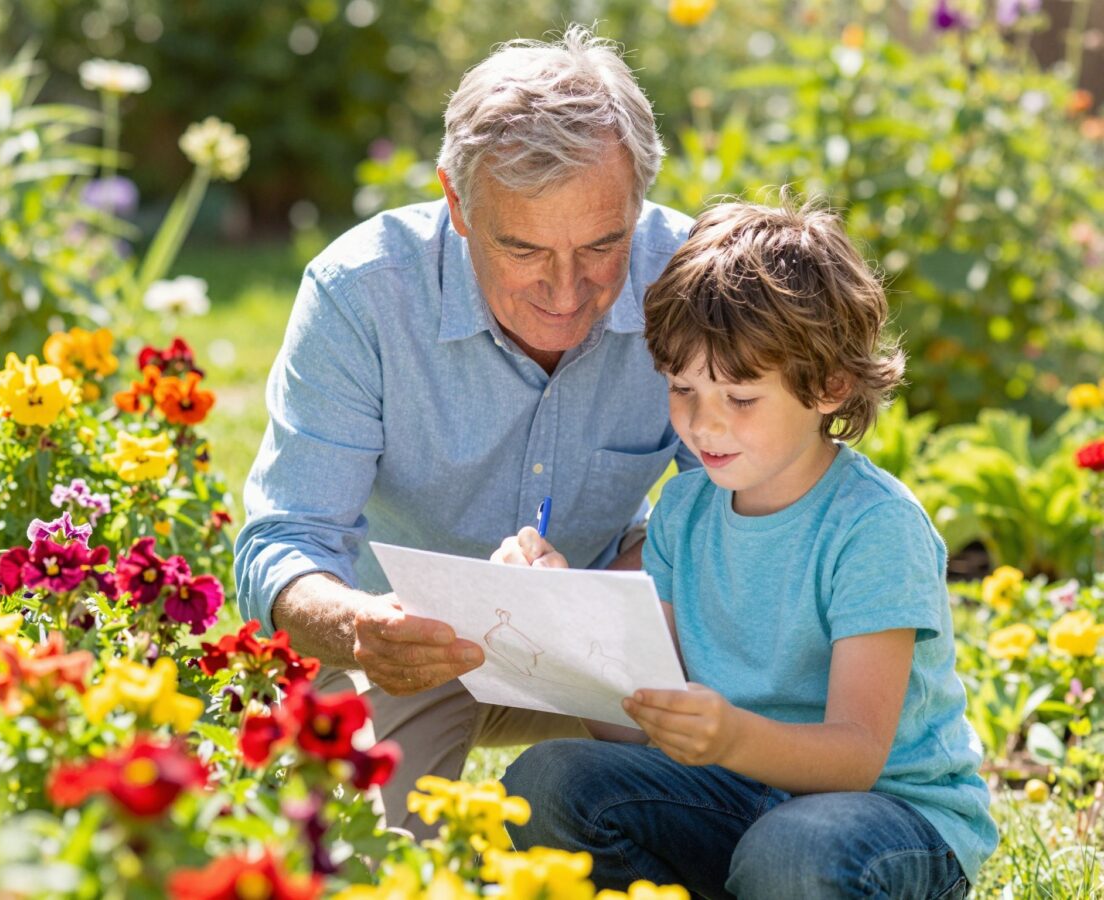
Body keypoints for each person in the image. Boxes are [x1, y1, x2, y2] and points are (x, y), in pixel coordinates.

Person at [233, 25, 697, 833]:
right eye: (523, 249)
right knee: (364, 859)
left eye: (602, 244)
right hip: (404, 645)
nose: (566, 290)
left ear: (639, 204)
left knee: (722, 824)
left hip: (616, 632)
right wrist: (360, 626)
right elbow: (285, 542)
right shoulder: (362, 294)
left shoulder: (688, 278)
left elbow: (754, 512)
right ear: (457, 203)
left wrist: (611, 585)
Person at [495, 194, 998, 898]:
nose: (703, 425)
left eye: (740, 398)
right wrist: (567, 625)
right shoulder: (685, 510)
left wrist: (730, 738)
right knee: (545, 782)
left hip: (886, 822)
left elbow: (856, 755)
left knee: (791, 853)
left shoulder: (873, 528)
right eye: (682, 388)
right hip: (732, 800)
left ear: (829, 385)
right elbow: (632, 735)